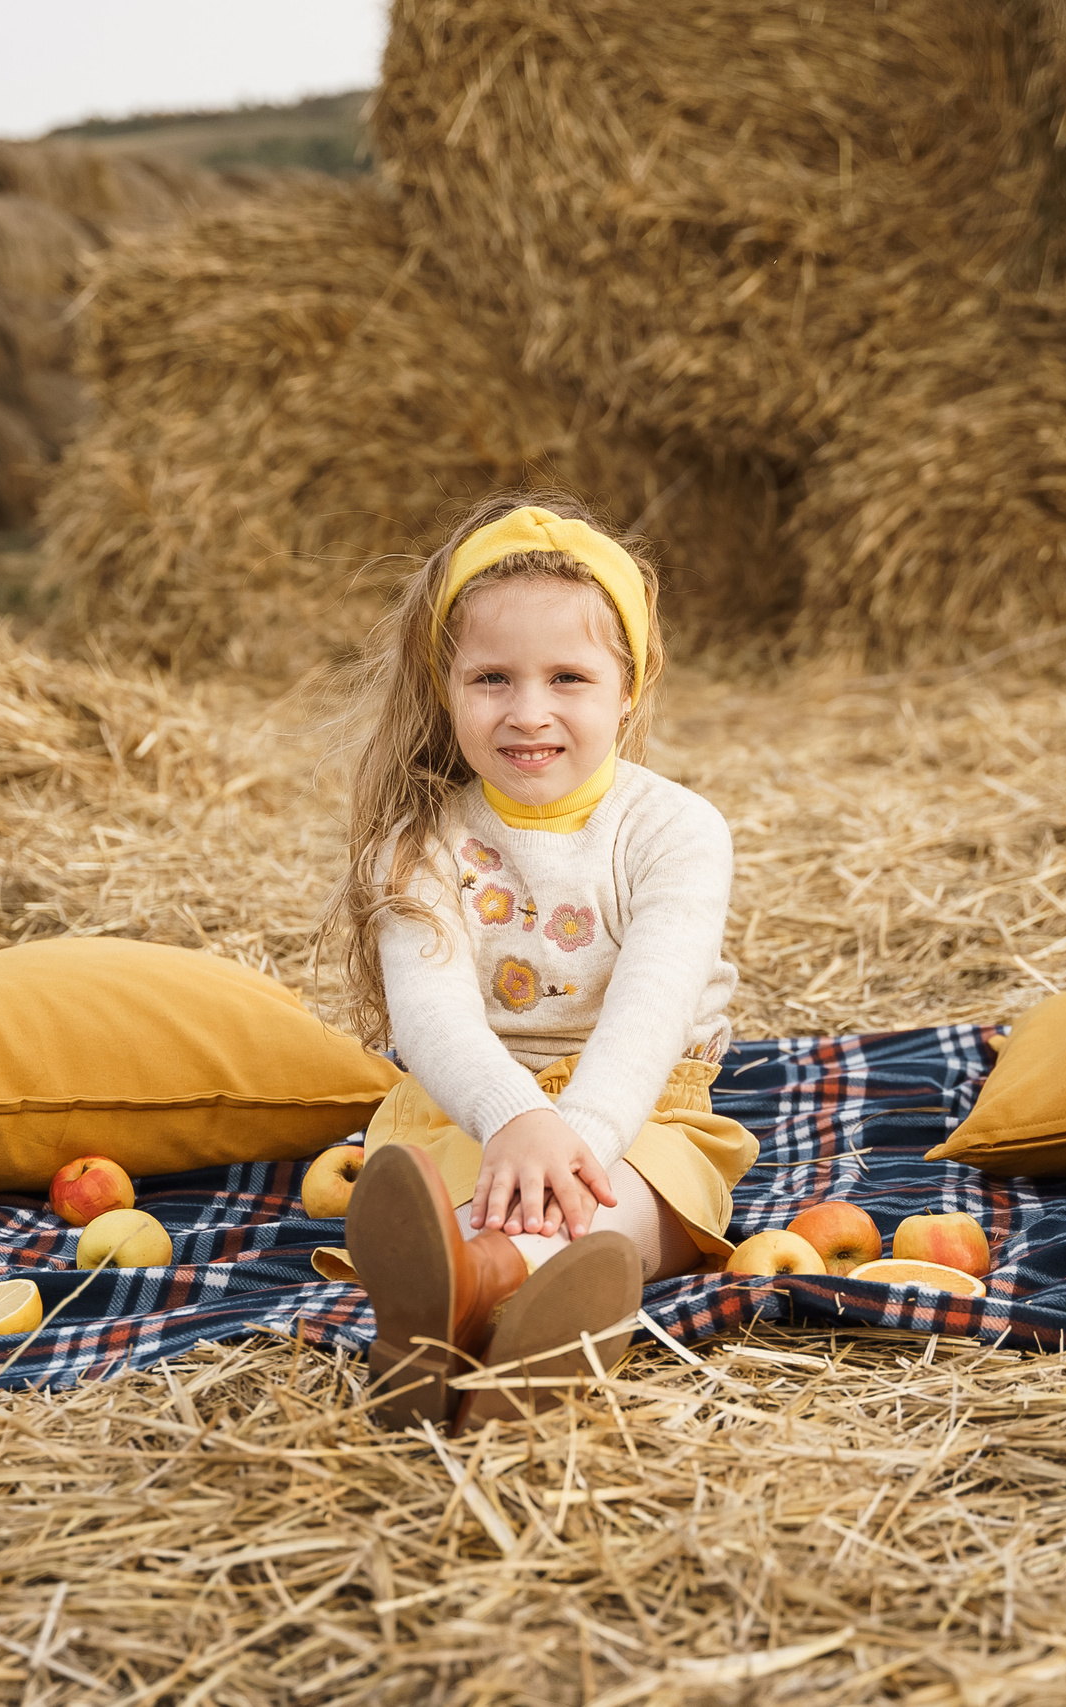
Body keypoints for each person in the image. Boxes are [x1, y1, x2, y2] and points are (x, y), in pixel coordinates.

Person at [318, 492, 755, 1433]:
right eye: (491, 680)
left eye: (568, 677)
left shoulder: (674, 830)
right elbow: (431, 1016)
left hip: (636, 1106)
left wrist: (579, 1134)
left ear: (629, 686)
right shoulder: (420, 842)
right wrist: (516, 1116)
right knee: (455, 1184)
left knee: (647, 1197)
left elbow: (654, 1007)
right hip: (475, 1101)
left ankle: (492, 1292)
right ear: (444, 686)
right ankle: (476, 1298)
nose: (528, 713)